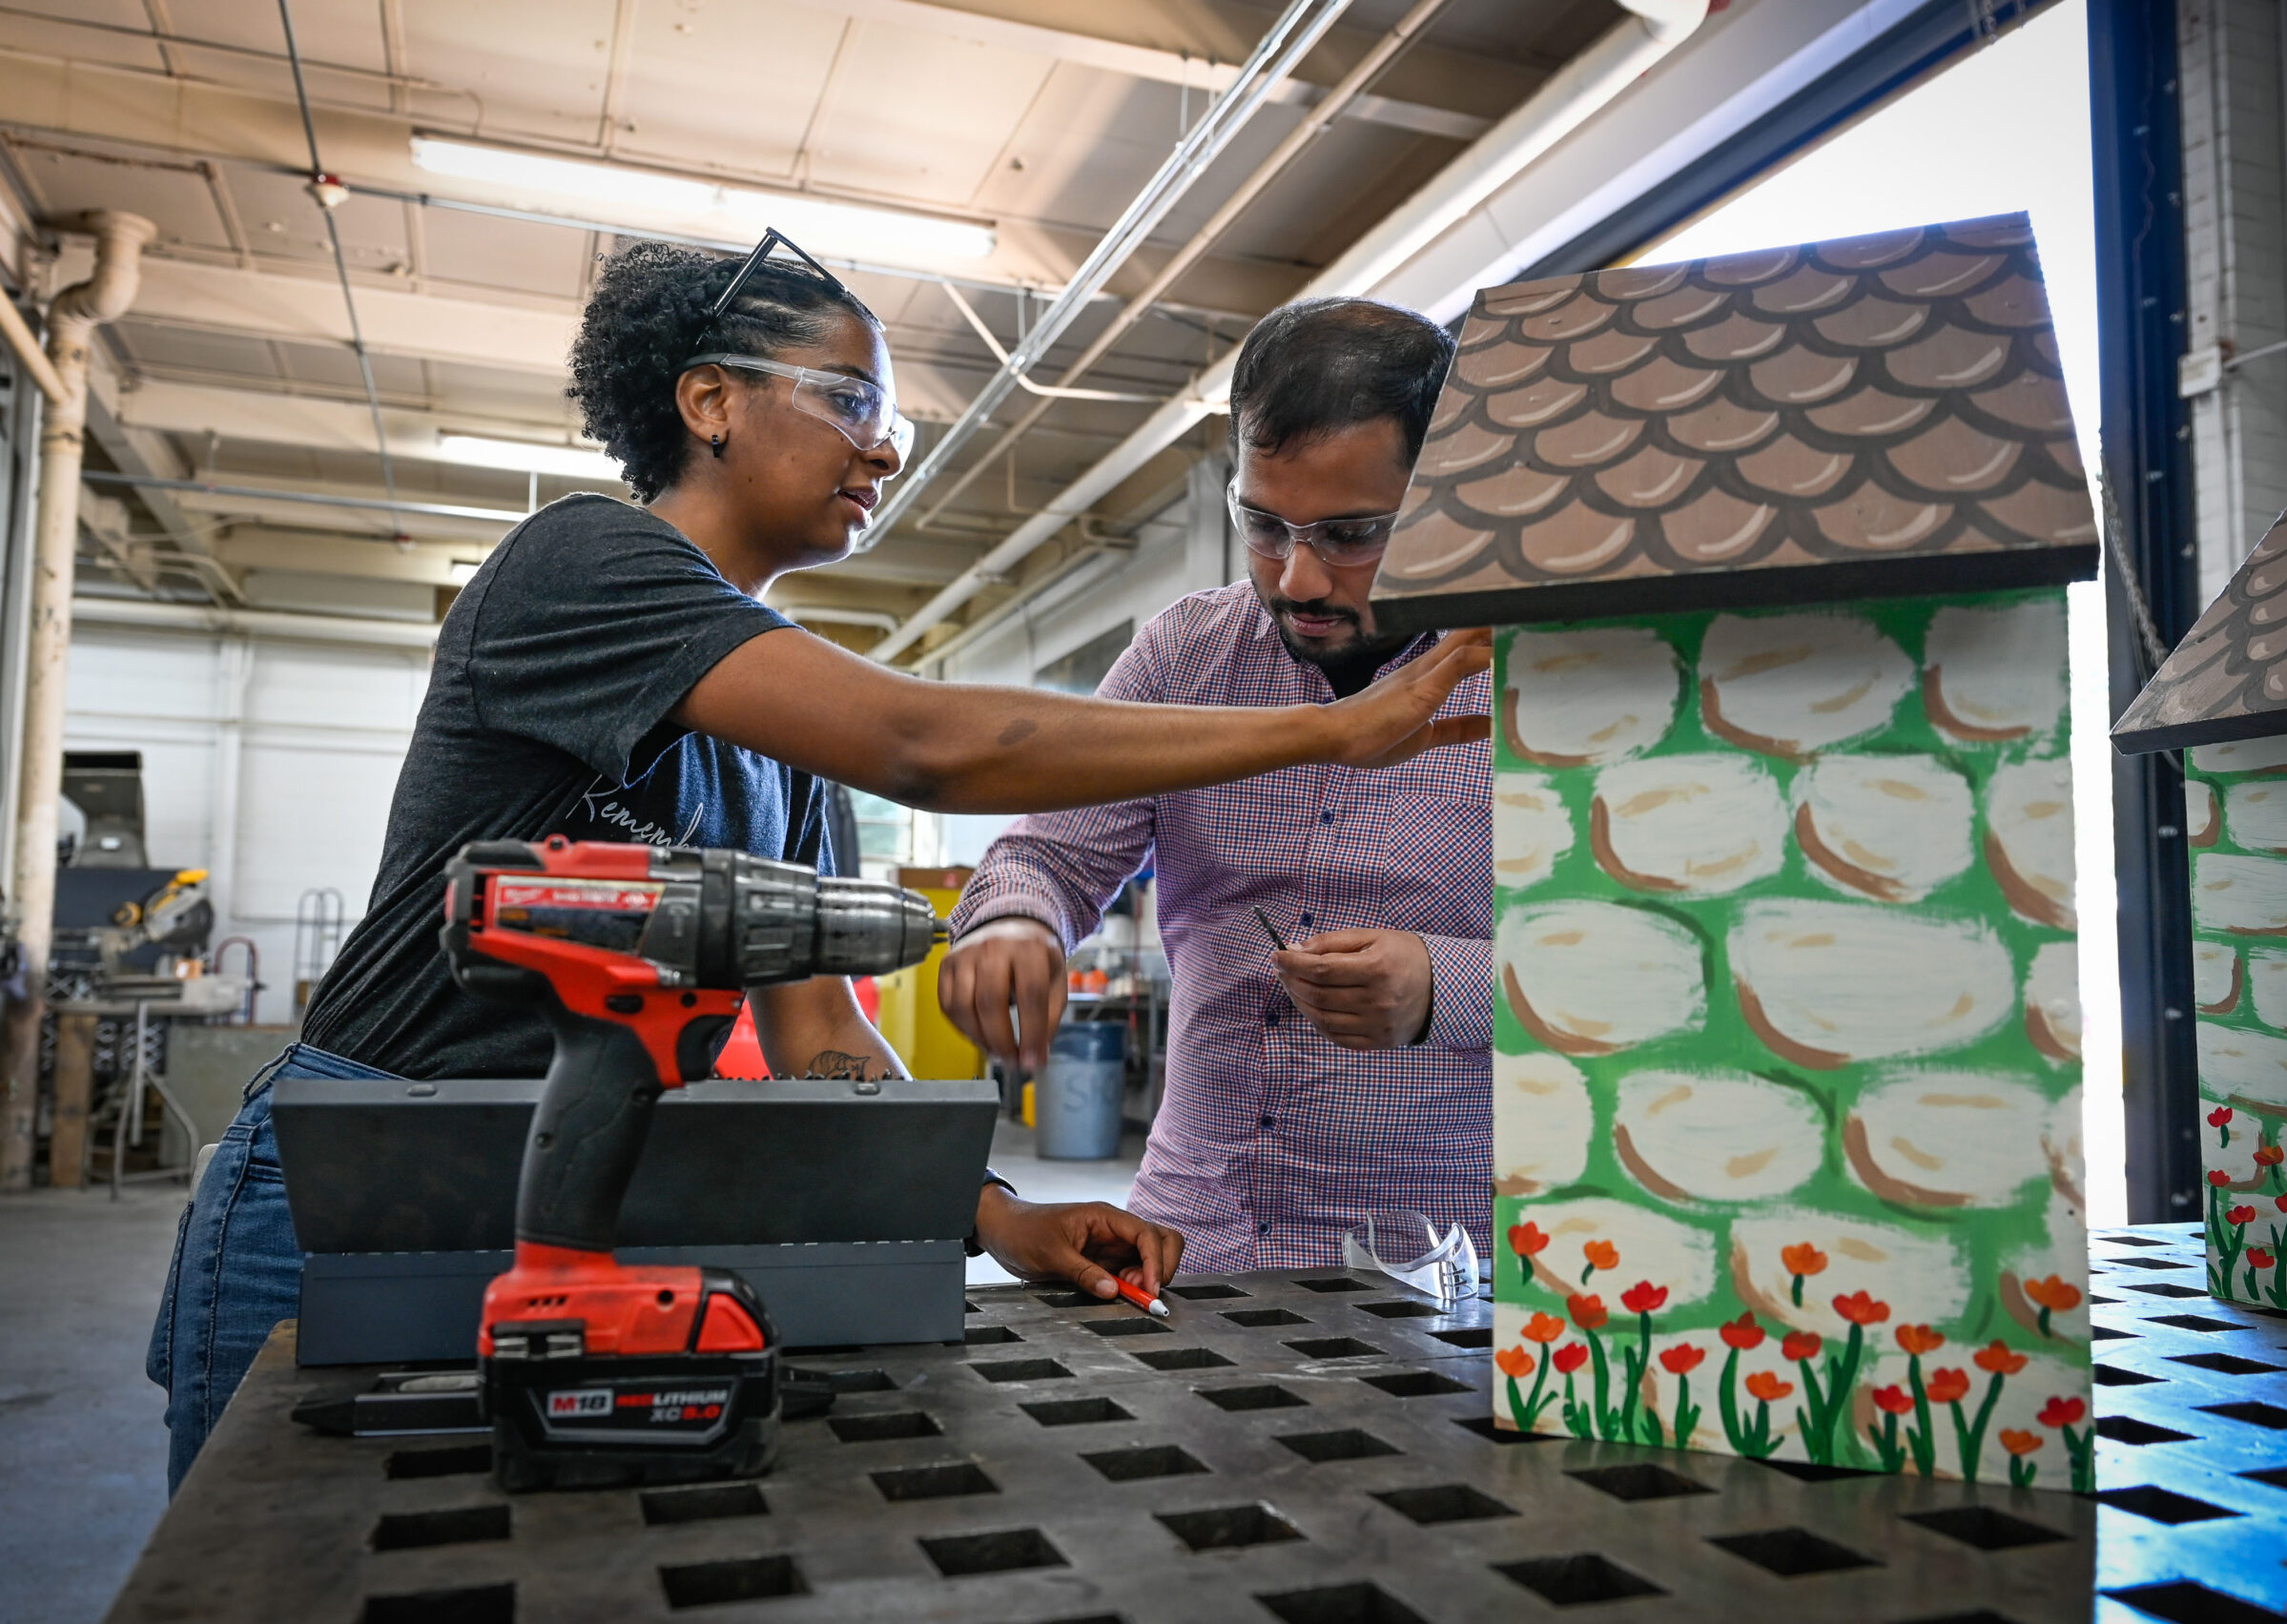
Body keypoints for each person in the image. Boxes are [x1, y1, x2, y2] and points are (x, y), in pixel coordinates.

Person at [148, 240, 1488, 1489]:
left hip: (596, 1201)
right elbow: (923, 743)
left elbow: (817, 1033)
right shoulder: (579, 563)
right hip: (365, 1177)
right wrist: (1336, 730)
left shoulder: (780, 740)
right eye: (850, 397)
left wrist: (991, 1208)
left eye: (888, 412)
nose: (888, 443)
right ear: (710, 400)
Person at [938, 298, 1491, 1273]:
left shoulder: (1548, 682)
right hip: (1189, 1241)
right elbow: (1050, 848)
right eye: (1263, 524)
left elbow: (1651, 969)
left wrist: (1442, 985)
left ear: (1441, 493)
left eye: (1353, 533)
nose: (1299, 579)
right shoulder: (1185, 653)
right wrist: (1012, 920)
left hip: (1442, 1261)